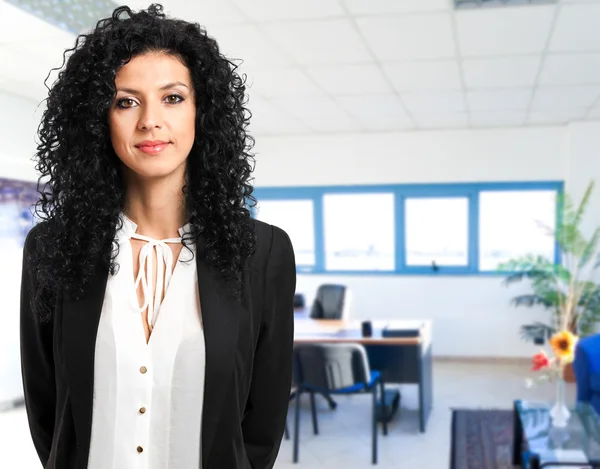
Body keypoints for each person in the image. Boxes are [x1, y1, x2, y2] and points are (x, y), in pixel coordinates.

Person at [19, 4, 296, 469]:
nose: (150, 120)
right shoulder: (52, 248)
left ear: (200, 112)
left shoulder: (263, 252)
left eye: (172, 98)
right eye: (126, 101)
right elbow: (48, 412)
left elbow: (262, 426)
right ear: (98, 119)